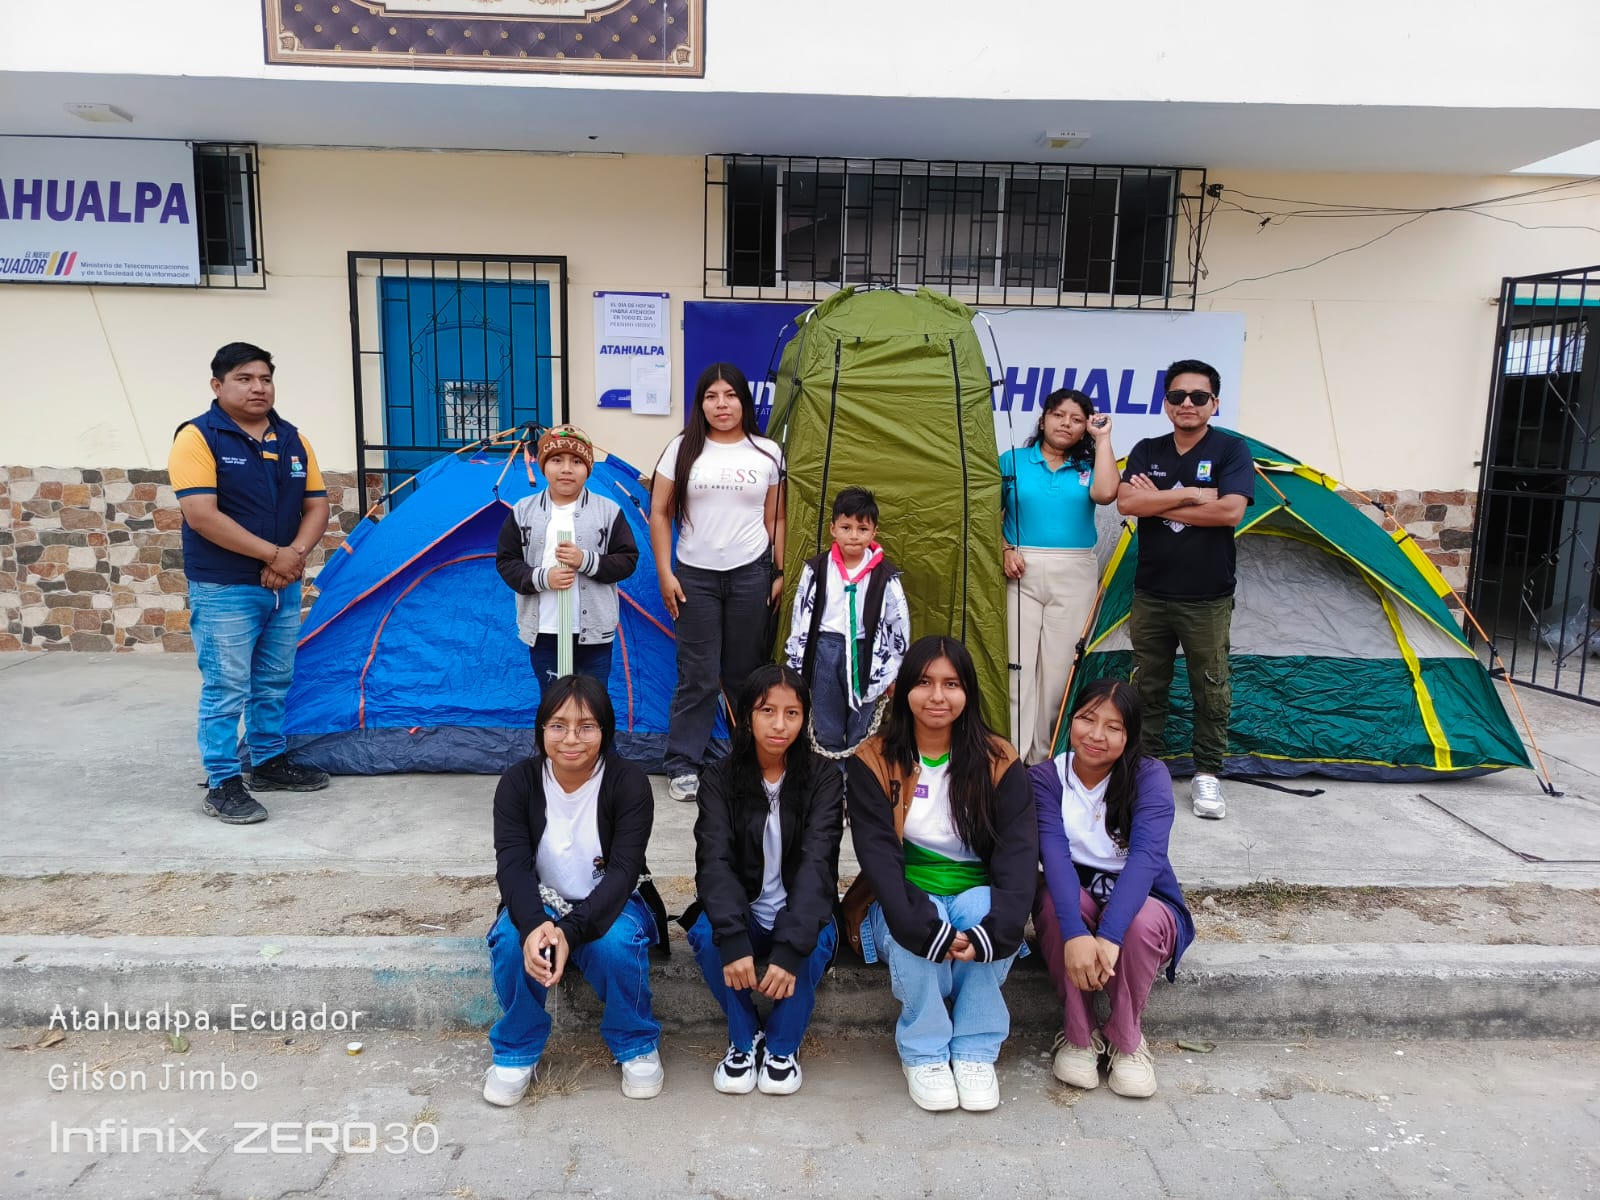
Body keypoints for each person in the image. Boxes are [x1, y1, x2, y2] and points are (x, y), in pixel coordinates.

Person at [842, 636, 1037, 1113]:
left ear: (968, 691)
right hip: (901, 897)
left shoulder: (998, 760)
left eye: (951, 684)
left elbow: (1018, 853)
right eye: (925, 682)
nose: (937, 696)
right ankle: (924, 1051)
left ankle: (974, 1048)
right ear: (904, 689)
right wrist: (920, 923)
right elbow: (878, 857)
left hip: (975, 892)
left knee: (982, 908)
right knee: (919, 919)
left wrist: (998, 929)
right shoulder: (873, 758)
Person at [484, 673, 671, 1106]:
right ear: (541, 729)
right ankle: (517, 1049)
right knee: (513, 942)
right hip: (540, 901)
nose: (571, 739)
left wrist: (569, 933)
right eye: (558, 725)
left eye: (586, 726)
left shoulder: (629, 782)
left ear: (605, 730)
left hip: (613, 900)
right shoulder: (517, 783)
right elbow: (511, 866)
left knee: (615, 943)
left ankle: (635, 1042)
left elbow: (623, 872)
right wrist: (535, 925)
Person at [169, 342, 331, 825]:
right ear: (217, 385)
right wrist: (273, 554)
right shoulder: (197, 437)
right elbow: (201, 515)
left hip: (282, 584)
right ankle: (222, 782)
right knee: (226, 686)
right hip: (225, 587)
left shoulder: (293, 439)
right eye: (244, 378)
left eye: (265, 378)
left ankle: (267, 761)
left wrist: (292, 555)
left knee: (274, 680)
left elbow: (317, 506)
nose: (258, 387)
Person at [684, 664, 844, 1095]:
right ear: (746, 715)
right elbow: (714, 861)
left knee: (813, 941)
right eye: (767, 710)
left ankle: (781, 1047)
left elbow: (818, 866)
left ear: (804, 718)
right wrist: (734, 937)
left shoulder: (824, 779)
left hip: (799, 910)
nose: (779, 725)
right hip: (747, 913)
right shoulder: (719, 778)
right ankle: (745, 1039)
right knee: (706, 935)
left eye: (792, 713)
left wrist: (789, 949)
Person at [1031, 678, 1194, 1099]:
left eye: (1114, 727)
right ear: (1072, 720)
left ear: (1130, 735)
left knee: (1138, 923)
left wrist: (1109, 934)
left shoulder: (1149, 777)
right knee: (1052, 904)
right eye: (1087, 719)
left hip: (1145, 903)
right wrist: (1075, 933)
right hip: (1079, 900)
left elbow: (1146, 860)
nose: (1096, 735)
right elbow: (1054, 856)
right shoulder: (1046, 779)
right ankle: (1079, 1037)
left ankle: (1127, 1041)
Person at [1117, 359, 1254, 819]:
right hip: (1151, 592)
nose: (1187, 404)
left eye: (1198, 396)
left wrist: (1155, 502)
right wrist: (1192, 493)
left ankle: (1207, 773)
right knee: (1146, 684)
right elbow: (1126, 502)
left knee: (1210, 686)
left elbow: (1230, 512)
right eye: (1178, 396)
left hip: (1207, 597)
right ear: (1166, 403)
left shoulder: (1231, 450)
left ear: (1215, 403)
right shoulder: (1147, 449)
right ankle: (1145, 769)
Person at [651, 362, 786, 803]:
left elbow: (777, 518)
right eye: (711, 396)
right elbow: (660, 513)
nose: (721, 405)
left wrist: (779, 572)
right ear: (701, 403)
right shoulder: (681, 449)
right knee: (698, 675)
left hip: (752, 574)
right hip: (694, 577)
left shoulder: (767, 452)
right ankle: (682, 763)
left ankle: (751, 760)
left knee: (746, 675)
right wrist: (666, 573)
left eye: (730, 395)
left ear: (744, 401)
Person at [1000, 389, 1119, 765]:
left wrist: (1103, 439)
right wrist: (1004, 548)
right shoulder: (1012, 461)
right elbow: (984, 513)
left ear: (1086, 427)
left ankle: (1044, 762)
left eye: (1077, 419)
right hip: (1020, 569)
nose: (1066, 423)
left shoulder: (1089, 465)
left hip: (1075, 571)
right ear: (1043, 419)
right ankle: (1011, 758)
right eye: (1059, 415)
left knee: (1058, 673)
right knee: (1016, 669)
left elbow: (1106, 493)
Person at [495, 424, 639, 688]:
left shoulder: (608, 511)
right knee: (554, 700)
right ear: (543, 465)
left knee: (592, 701)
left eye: (576, 461)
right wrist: (543, 578)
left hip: (593, 634)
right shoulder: (523, 511)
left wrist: (585, 560)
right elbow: (507, 561)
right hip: (545, 631)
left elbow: (627, 559)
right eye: (557, 460)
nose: (566, 469)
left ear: (588, 468)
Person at [784, 487, 910, 757]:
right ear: (833, 529)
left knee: (863, 722)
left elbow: (897, 625)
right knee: (825, 718)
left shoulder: (885, 576)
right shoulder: (816, 570)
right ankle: (830, 775)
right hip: (825, 650)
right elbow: (800, 616)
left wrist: (895, 671)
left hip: (867, 652)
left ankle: (859, 774)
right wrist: (796, 660)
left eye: (862, 529)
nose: (854, 535)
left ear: (874, 532)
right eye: (846, 527)